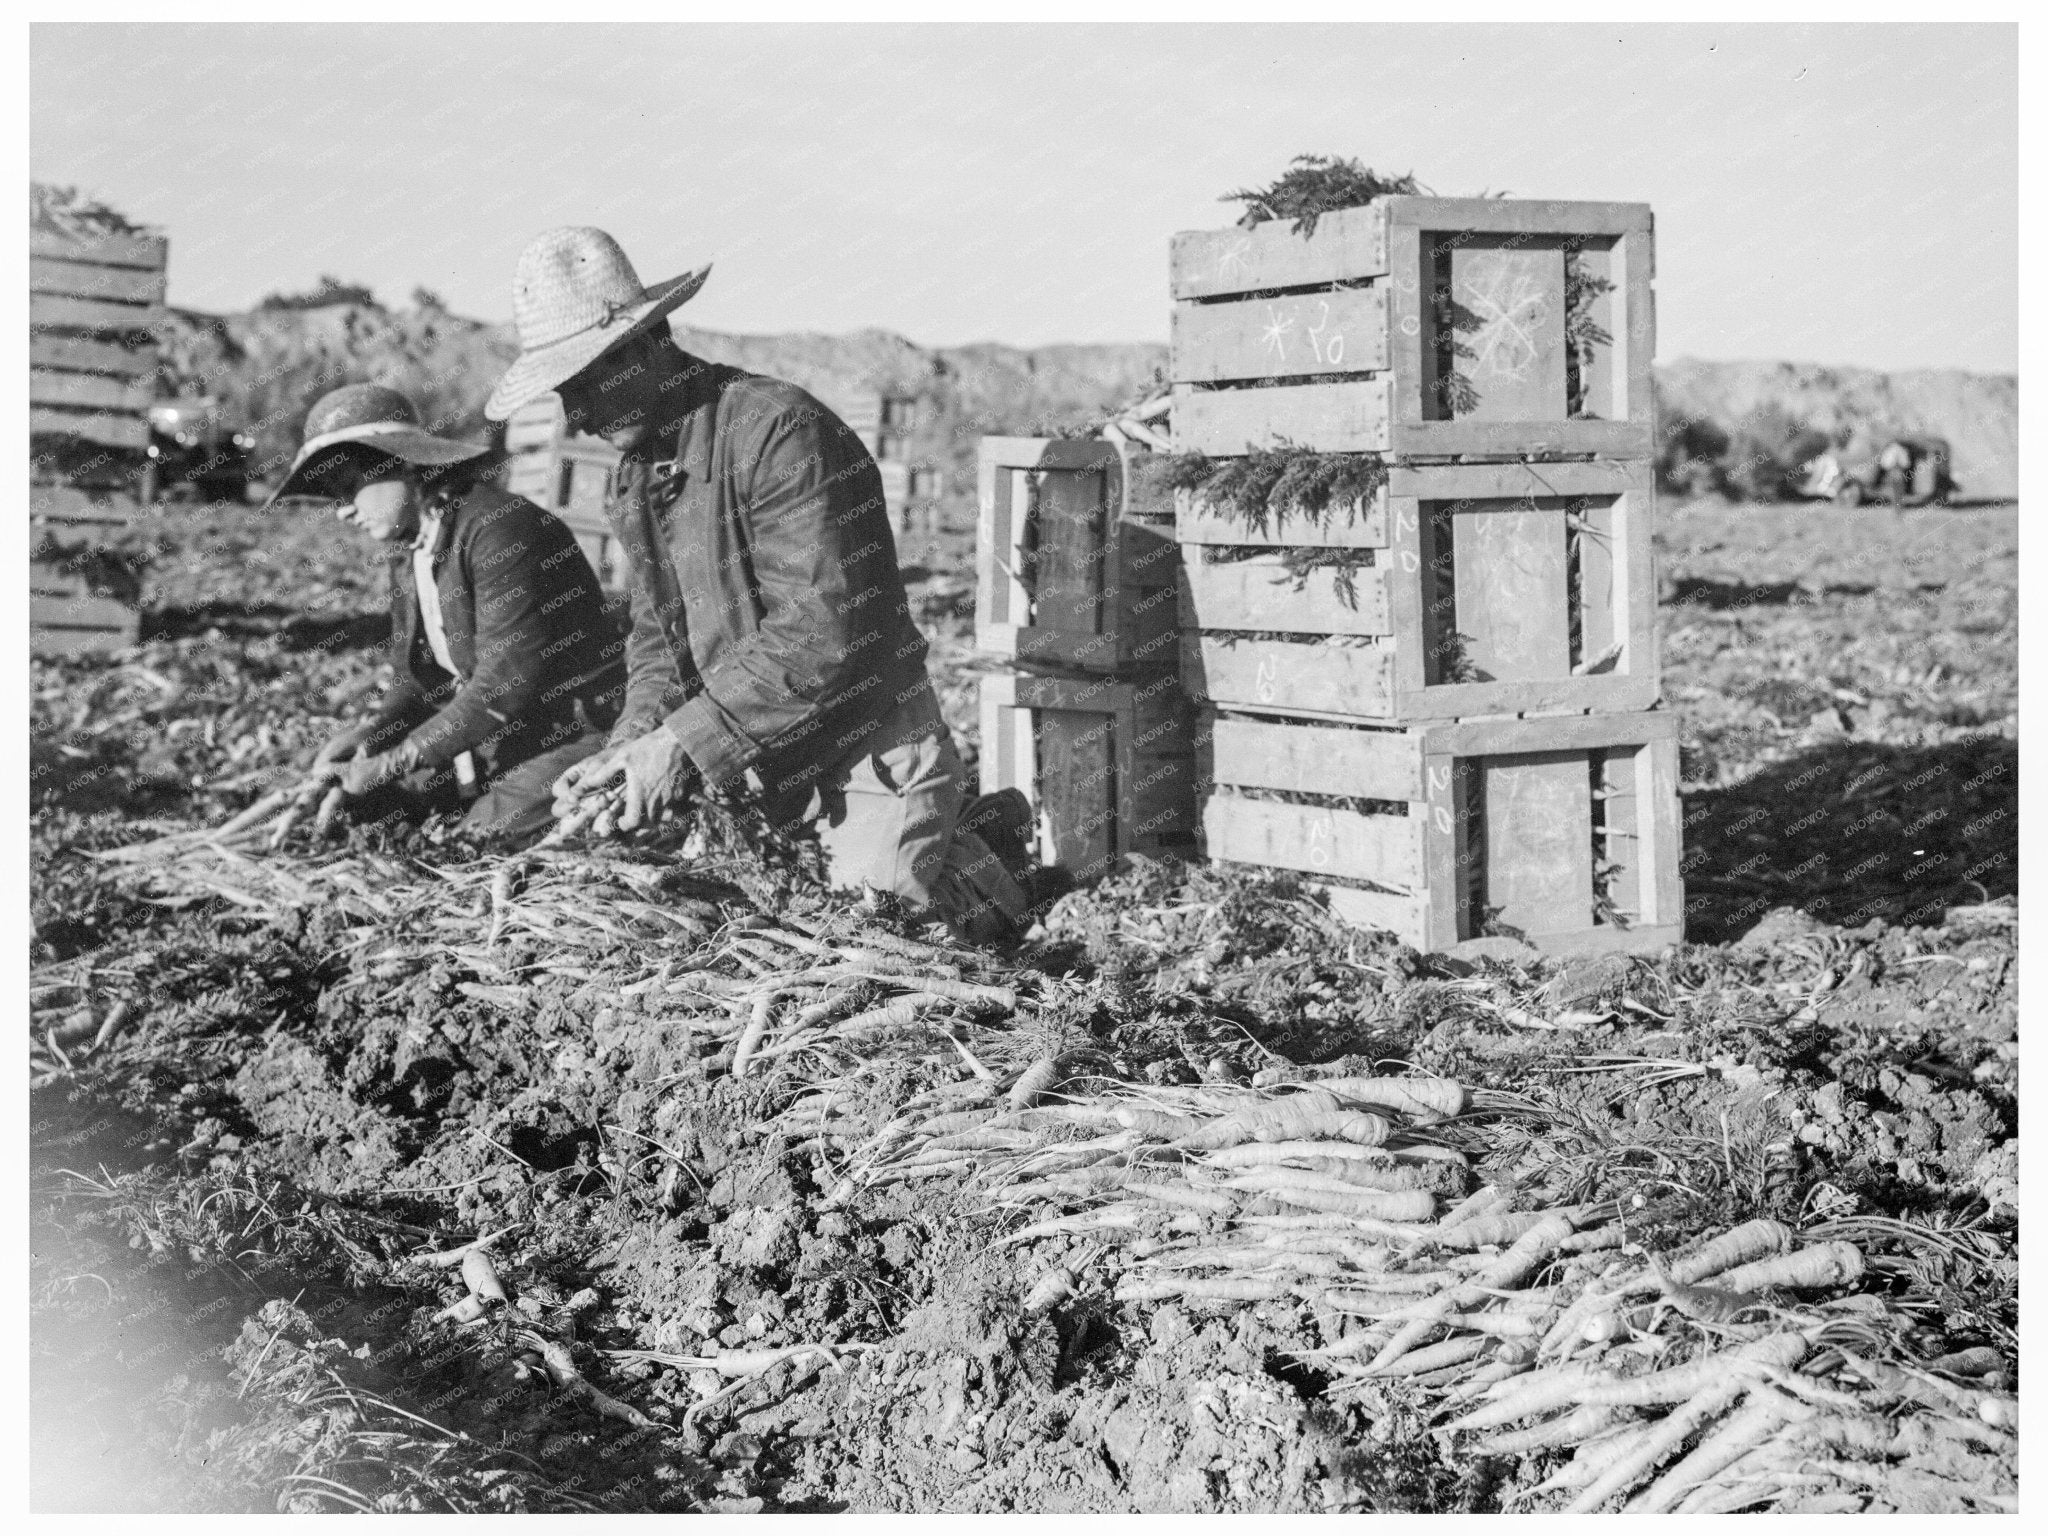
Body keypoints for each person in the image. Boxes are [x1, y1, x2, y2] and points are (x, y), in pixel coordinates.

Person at [481, 227, 1034, 941]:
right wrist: (631, 745)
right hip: (760, 765)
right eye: (566, 393)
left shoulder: (779, 432)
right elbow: (657, 640)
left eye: (584, 384)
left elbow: (823, 631)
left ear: (649, 344)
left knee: (866, 952)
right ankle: (961, 857)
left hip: (863, 755)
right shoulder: (637, 478)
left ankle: (980, 871)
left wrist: (680, 747)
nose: (576, 416)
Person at [264, 383, 625, 843]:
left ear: (406, 463)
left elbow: (503, 688)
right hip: (501, 736)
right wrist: (371, 735)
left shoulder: (500, 531)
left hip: (575, 732)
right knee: (367, 816)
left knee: (475, 839)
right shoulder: (413, 549)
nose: (342, 512)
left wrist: (394, 762)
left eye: (348, 488)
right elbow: (414, 679)